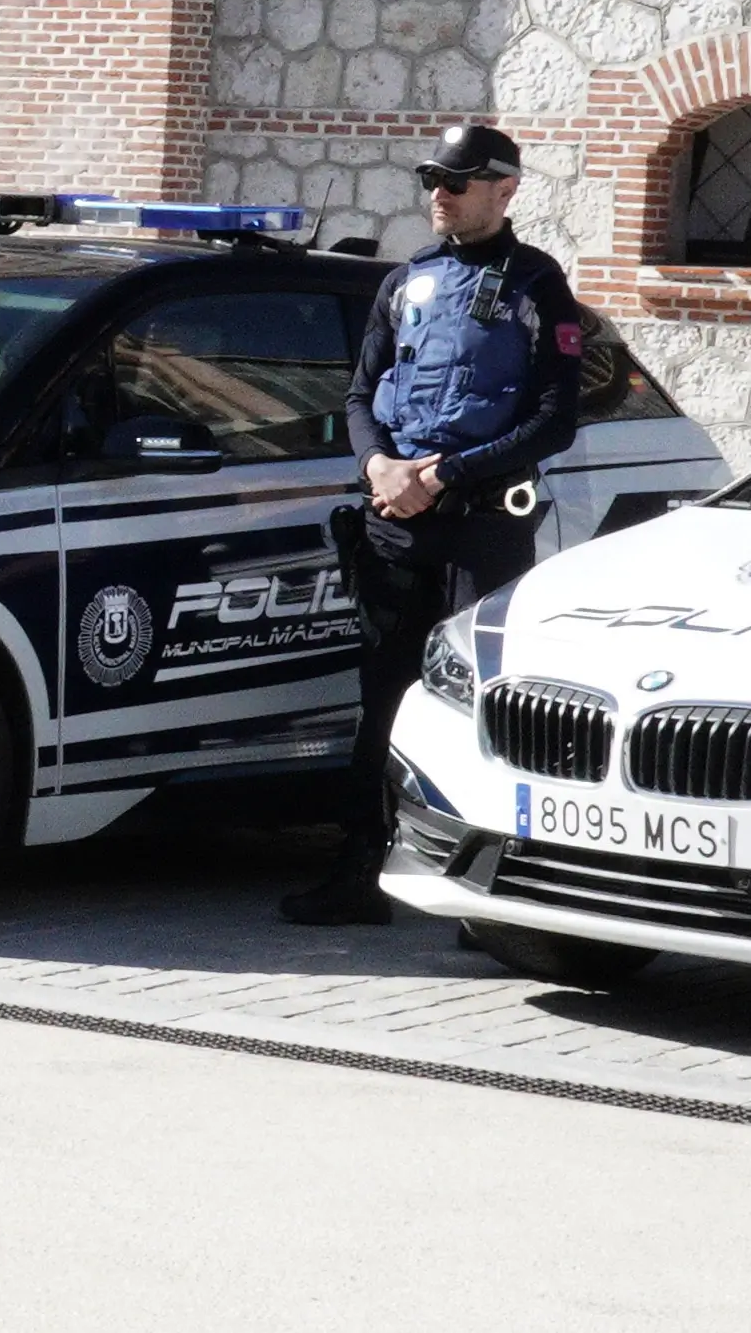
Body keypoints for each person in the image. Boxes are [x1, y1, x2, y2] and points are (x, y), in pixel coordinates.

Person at [281, 123, 587, 926]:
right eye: (433, 180)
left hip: (483, 527)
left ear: (505, 189)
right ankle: (359, 873)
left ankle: (490, 901)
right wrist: (379, 468)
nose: (440, 195)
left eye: (458, 181)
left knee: (488, 710)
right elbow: (358, 395)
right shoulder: (405, 282)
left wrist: (447, 472)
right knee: (382, 698)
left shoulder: (538, 284)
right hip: (395, 525)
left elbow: (558, 418)